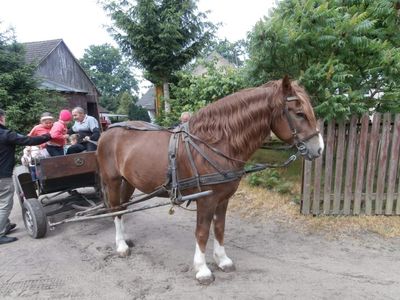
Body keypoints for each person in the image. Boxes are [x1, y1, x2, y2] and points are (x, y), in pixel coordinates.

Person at [0, 108, 51, 244]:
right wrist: (47, 136)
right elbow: (27, 140)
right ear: (1, 118)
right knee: (5, 203)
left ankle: (5, 225)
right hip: (2, 176)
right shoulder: (5, 134)